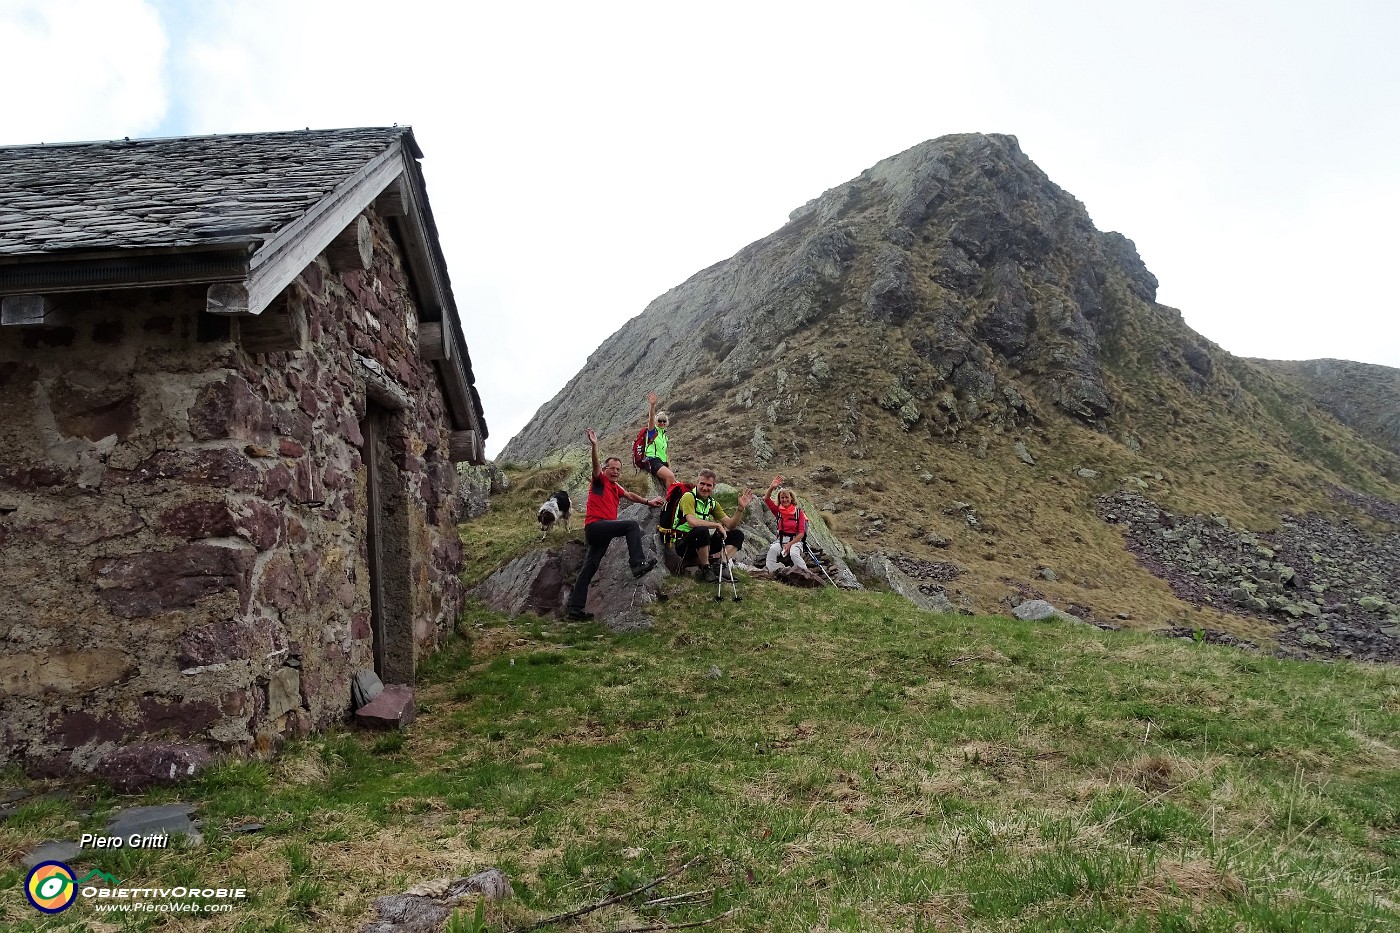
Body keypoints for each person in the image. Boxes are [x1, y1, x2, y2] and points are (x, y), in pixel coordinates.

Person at [566, 428, 665, 622]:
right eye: (612, 468)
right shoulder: (599, 480)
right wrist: (595, 445)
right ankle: (637, 564)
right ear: (605, 470)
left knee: (589, 569)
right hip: (595, 527)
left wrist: (648, 501)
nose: (616, 472)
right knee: (631, 526)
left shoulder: (615, 486)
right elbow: (595, 467)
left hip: (602, 532)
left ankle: (575, 610)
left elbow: (629, 495)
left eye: (619, 469)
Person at [674, 468, 754, 580]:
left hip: (702, 542)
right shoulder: (688, 497)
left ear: (713, 487)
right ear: (697, 483)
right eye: (702, 484)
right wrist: (716, 525)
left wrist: (740, 509)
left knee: (737, 535)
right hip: (684, 544)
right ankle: (706, 569)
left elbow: (730, 525)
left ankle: (721, 565)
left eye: (709, 485)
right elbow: (692, 522)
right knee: (702, 530)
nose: (705, 488)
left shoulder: (712, 503)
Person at [762, 474, 808, 571]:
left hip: (795, 541)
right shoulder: (778, 511)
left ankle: (806, 573)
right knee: (772, 550)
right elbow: (766, 499)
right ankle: (776, 570)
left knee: (794, 554)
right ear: (779, 499)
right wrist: (771, 487)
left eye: (786, 497)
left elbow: (801, 533)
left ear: (791, 498)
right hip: (780, 541)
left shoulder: (799, 513)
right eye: (782, 498)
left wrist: (790, 544)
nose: (784, 500)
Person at [641, 391, 677, 489]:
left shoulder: (664, 436)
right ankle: (669, 503)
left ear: (666, 423)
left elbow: (666, 453)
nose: (661, 422)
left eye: (664, 421)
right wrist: (652, 405)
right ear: (656, 422)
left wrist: (669, 467)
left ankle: (671, 500)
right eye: (659, 420)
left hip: (663, 462)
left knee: (673, 482)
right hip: (653, 460)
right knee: (670, 477)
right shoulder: (652, 431)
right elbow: (651, 419)